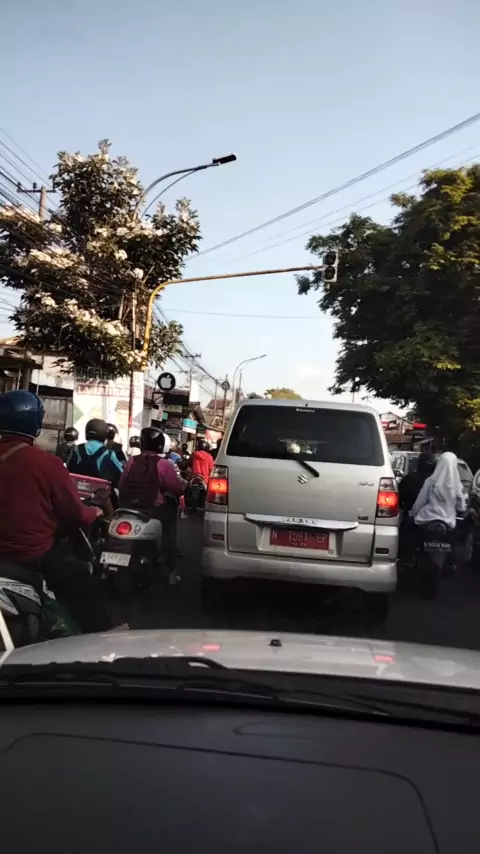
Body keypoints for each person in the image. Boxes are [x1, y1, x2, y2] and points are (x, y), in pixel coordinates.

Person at [0, 390, 114, 633]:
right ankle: (102, 639)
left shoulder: (70, 452)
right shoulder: (46, 463)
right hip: (28, 555)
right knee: (81, 581)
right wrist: (94, 512)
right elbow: (75, 514)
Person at [118, 427, 187, 585]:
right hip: (153, 510)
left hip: (129, 508)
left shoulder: (132, 461)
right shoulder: (164, 464)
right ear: (161, 445)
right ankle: (171, 571)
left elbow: (121, 484)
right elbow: (176, 488)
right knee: (169, 532)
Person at [410, 451, 466, 529]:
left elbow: (420, 501)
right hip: (449, 523)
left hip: (426, 519)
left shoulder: (430, 481)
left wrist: (412, 514)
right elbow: (461, 507)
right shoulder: (457, 485)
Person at [67, 418, 124, 486]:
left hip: (77, 489)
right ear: (104, 434)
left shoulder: (76, 449)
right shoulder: (108, 453)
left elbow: (68, 469)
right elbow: (121, 475)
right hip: (100, 490)